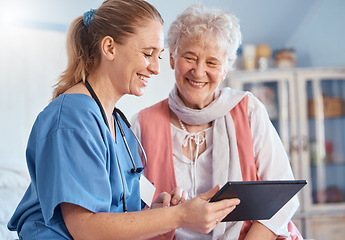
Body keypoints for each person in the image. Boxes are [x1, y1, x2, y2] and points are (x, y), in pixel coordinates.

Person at [7, 1, 240, 239]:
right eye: (148, 54)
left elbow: (116, 214)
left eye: (158, 56)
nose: (156, 68)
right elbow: (86, 228)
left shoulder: (119, 125)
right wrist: (180, 216)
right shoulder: (72, 119)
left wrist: (158, 213)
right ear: (109, 47)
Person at [131, 4, 303, 240]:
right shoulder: (141, 124)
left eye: (212, 63)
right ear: (172, 59)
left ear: (225, 69)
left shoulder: (248, 110)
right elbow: (130, 207)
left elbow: (283, 198)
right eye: (190, 57)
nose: (199, 72)